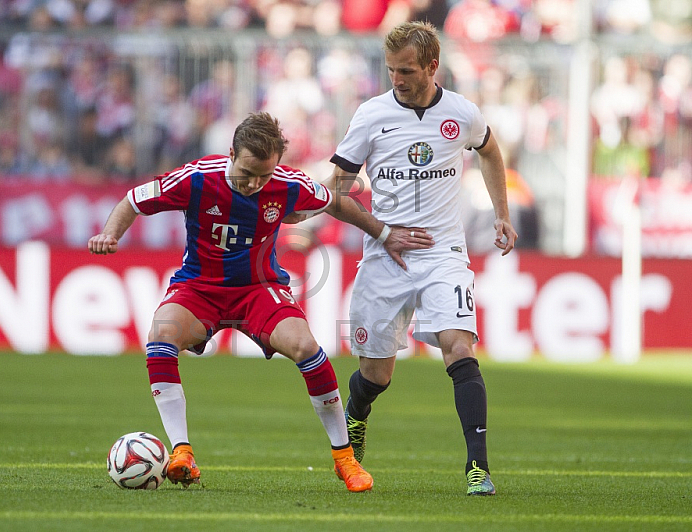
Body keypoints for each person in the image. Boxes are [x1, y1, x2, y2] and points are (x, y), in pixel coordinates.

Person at [88, 112, 431, 492]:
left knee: (306, 346)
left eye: (264, 175)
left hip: (258, 289)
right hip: (200, 288)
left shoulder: (287, 185)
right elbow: (133, 201)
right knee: (160, 336)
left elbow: (336, 202)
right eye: (247, 172)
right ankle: (182, 450)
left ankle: (344, 460)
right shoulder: (196, 178)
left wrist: (383, 233)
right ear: (230, 152)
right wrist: (109, 233)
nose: (254, 184)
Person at [326, 21, 518, 496]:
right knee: (377, 375)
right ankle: (357, 411)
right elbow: (335, 193)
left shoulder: (461, 113)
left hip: (443, 254)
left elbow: (491, 152)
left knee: (459, 346)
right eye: (391, 70)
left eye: (407, 70)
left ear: (433, 66)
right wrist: (383, 232)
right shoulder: (370, 115)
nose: (397, 79)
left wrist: (501, 214)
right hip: (383, 259)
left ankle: (478, 468)